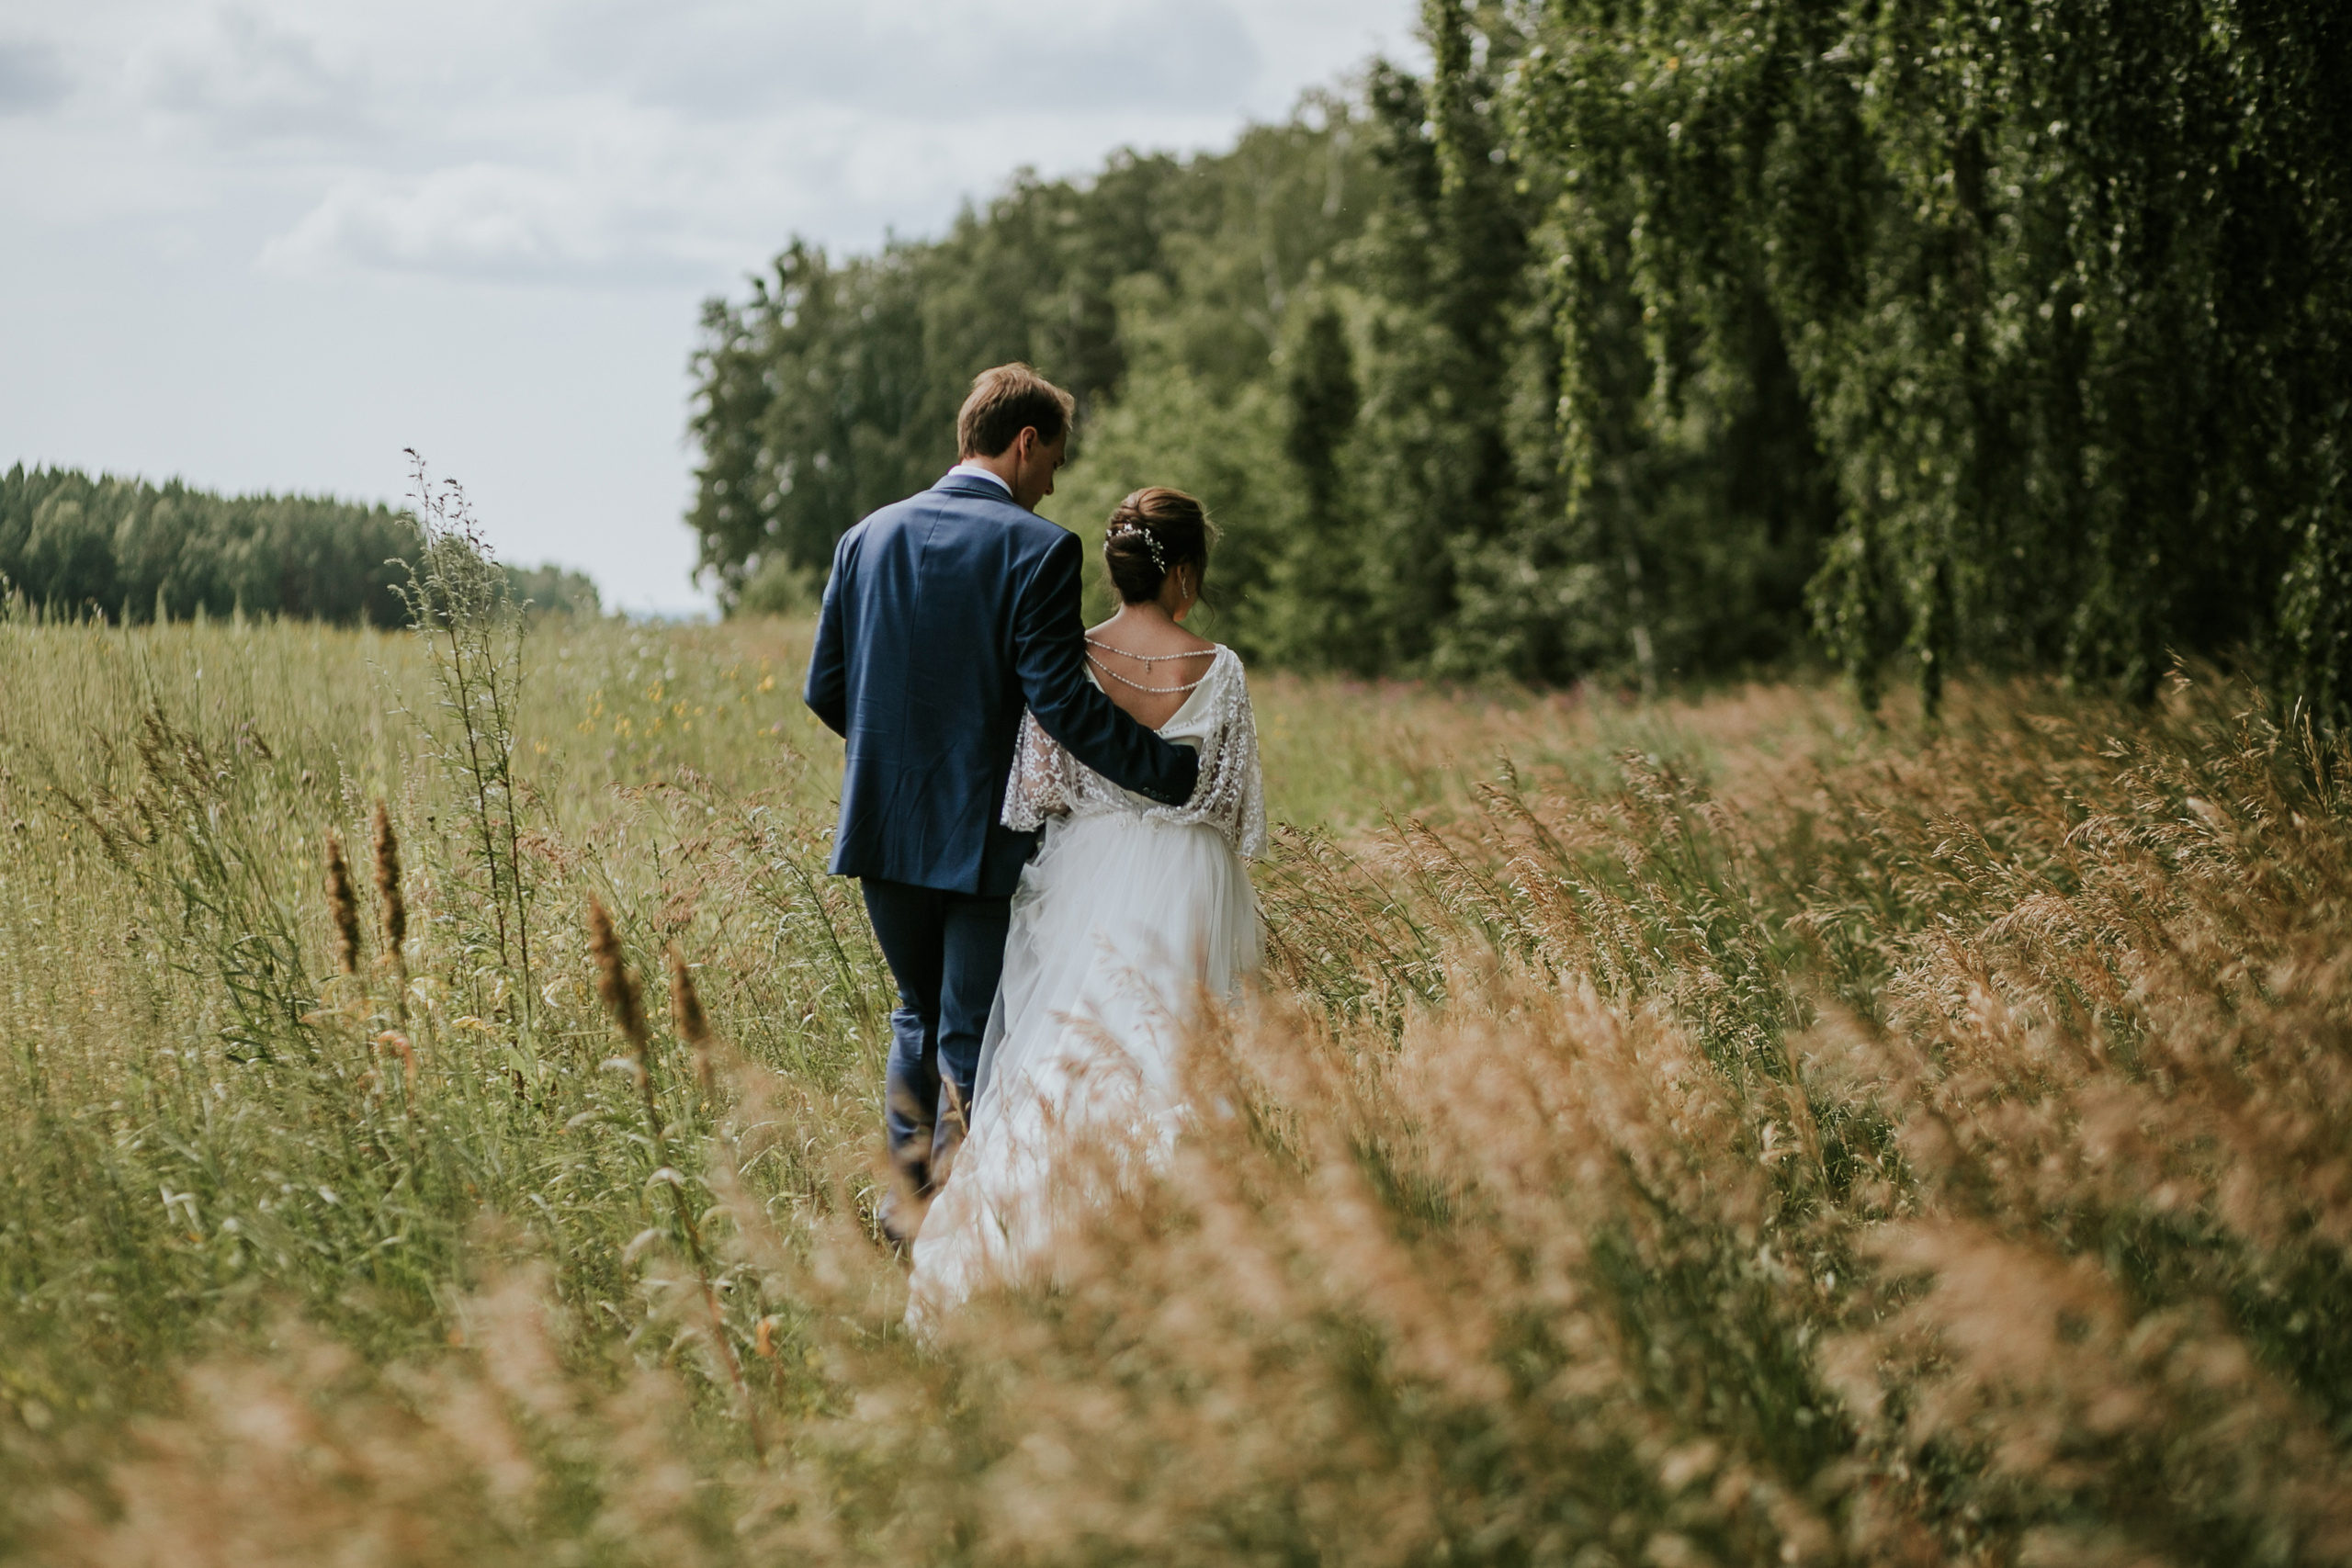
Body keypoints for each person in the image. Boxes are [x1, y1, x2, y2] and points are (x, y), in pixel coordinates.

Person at [803, 366, 1201, 1245]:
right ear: (1025, 442)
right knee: (972, 1028)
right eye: (1053, 460)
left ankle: (907, 1208)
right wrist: (1168, 773)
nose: (1053, 482)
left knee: (916, 1007)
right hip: (982, 831)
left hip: (880, 828)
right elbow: (1060, 702)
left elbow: (827, 688)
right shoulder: (1038, 549)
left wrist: (896, 762)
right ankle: (965, 1229)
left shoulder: (863, 538)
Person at [907, 486, 1265, 1325]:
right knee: (1172, 1050)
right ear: (1182, 571)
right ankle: (1174, 1258)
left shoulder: (1070, 657)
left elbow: (1038, 788)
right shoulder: (1219, 669)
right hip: (1186, 877)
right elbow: (1233, 804)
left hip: (1086, 872)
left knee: (1063, 1047)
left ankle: (1032, 1240)